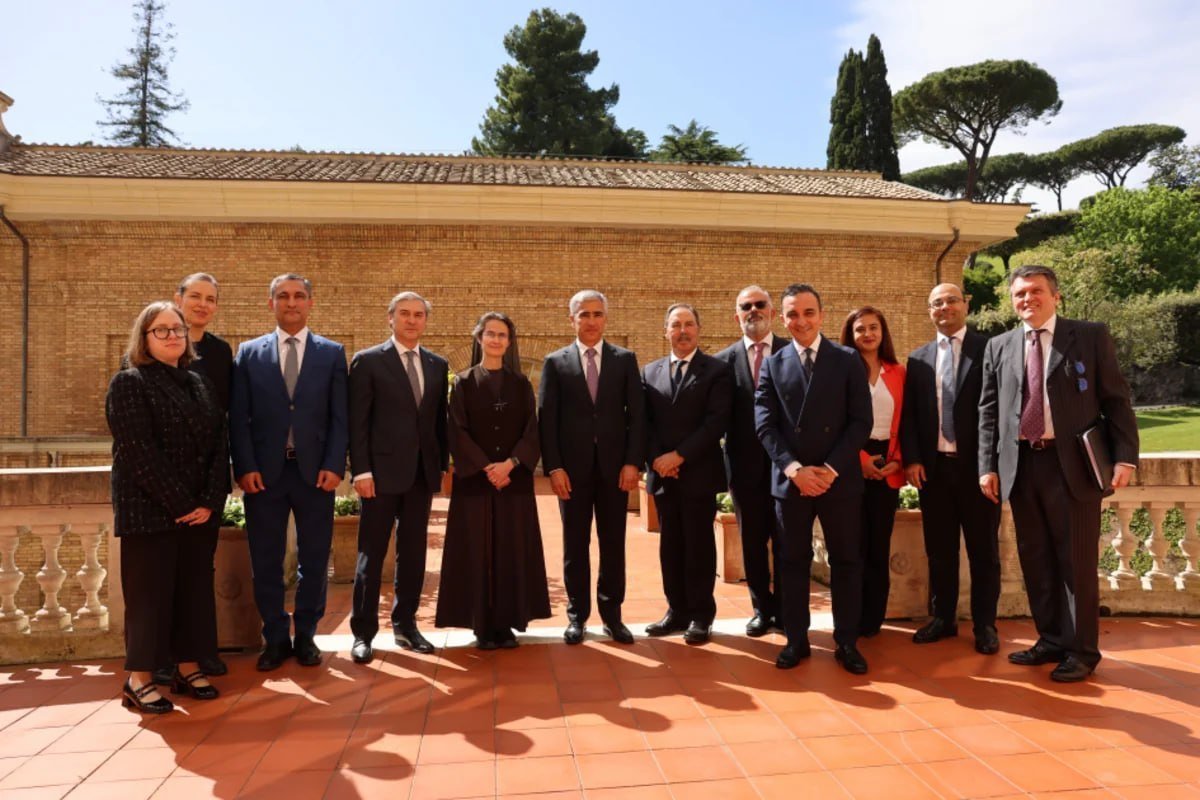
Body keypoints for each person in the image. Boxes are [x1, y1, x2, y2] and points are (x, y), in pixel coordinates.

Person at [979, 265, 1138, 682]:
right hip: (1021, 466)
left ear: (1055, 296)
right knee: (1036, 559)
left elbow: (1116, 399)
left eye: (1035, 291)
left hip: (1073, 466)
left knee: (1075, 562)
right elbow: (988, 411)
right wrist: (986, 466)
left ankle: (1082, 651)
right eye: (1019, 294)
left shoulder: (1088, 336)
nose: (1027, 299)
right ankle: (1050, 639)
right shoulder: (999, 346)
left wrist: (1125, 457)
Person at [106, 301, 228, 713]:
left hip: (198, 514)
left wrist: (209, 502)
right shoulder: (129, 383)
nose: (172, 335)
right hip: (150, 511)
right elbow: (138, 451)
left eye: (177, 329)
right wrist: (181, 503)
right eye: (161, 330)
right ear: (144, 338)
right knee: (150, 599)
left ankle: (187, 666)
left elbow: (220, 445)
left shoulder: (200, 383)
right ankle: (138, 679)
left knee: (193, 594)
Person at [229, 273, 349, 671]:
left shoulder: (332, 353)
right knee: (266, 560)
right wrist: (245, 466)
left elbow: (340, 417)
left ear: (310, 303)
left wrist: (334, 464)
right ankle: (276, 638)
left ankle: (308, 635)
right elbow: (238, 418)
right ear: (271, 304)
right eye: (283, 296)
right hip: (264, 476)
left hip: (315, 475)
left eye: (299, 296)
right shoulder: (249, 353)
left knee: (314, 560)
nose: (291, 302)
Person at [755, 284, 872, 673]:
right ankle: (796, 640)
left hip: (838, 479)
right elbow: (765, 424)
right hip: (792, 482)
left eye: (808, 312)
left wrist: (830, 469)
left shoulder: (847, 359)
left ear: (822, 315)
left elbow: (861, 421)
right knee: (791, 562)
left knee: (846, 561)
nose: (801, 321)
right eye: (792, 314)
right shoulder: (773, 363)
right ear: (782, 318)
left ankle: (847, 642)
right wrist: (795, 470)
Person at [435, 313, 550, 648]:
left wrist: (510, 465)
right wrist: (488, 467)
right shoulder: (464, 382)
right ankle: (482, 626)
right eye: (490, 334)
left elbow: (532, 430)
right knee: (477, 551)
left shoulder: (521, 384)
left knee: (510, 549)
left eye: (502, 335)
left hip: (513, 482)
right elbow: (457, 430)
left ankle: (506, 623)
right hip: (476, 482)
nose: (496, 340)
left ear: (509, 342)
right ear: (479, 338)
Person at [538, 290, 645, 645]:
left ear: (606, 319)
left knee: (613, 544)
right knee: (575, 545)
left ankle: (612, 616)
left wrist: (632, 462)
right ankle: (577, 616)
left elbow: (637, 416)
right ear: (572, 319)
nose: (591, 321)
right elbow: (547, 420)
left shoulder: (625, 360)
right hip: (572, 472)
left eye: (597, 314)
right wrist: (554, 467)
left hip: (616, 472)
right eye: (584, 314)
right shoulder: (555, 362)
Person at [899, 283, 1001, 655]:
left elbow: (999, 411)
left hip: (978, 471)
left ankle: (985, 625)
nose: (945, 307)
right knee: (940, 551)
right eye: (937, 303)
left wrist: (991, 465)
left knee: (983, 552)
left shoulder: (990, 349)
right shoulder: (919, 359)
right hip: (935, 471)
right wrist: (913, 459)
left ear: (965, 305)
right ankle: (942, 618)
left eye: (951, 300)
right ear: (930, 311)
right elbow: (910, 415)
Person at [347, 292, 448, 664]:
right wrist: (361, 470)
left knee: (414, 553)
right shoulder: (369, 361)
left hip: (420, 475)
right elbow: (357, 422)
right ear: (390, 318)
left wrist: (441, 466)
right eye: (404, 313)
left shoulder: (437, 364)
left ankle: (406, 625)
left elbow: (438, 422)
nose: (411, 320)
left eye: (418, 315)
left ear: (425, 321)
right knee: (371, 555)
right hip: (379, 476)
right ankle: (363, 633)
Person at [145, 272, 232, 685]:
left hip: (205, 488)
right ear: (178, 298)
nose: (202, 304)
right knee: (160, 580)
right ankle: (160, 658)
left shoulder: (220, 352)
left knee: (199, 574)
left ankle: (200, 652)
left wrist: (211, 494)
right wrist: (176, 496)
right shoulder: (147, 354)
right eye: (195, 296)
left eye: (210, 299)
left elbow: (223, 423)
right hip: (160, 491)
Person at [642, 304, 733, 645]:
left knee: (698, 546)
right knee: (670, 545)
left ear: (698, 329)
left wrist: (679, 456)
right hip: (664, 476)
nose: (683, 331)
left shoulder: (717, 370)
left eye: (689, 324)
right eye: (676, 325)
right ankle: (676, 610)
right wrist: (658, 459)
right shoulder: (649, 372)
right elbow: (644, 423)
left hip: (699, 473)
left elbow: (716, 422)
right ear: (665, 331)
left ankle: (701, 615)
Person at [714, 286, 789, 637]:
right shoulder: (722, 362)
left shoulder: (792, 352)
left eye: (760, 305)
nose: (753, 310)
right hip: (744, 469)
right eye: (746, 306)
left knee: (788, 541)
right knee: (752, 542)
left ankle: (786, 609)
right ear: (737, 316)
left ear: (772, 312)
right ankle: (762, 609)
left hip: (788, 468)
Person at [840, 306, 906, 638]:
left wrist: (898, 460)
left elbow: (908, 421)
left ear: (883, 332)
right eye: (860, 329)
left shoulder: (899, 372)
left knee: (878, 545)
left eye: (873, 328)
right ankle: (849, 617)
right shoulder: (841, 371)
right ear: (850, 335)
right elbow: (836, 422)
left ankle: (872, 620)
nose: (867, 334)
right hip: (851, 460)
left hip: (888, 462)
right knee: (852, 547)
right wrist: (860, 459)